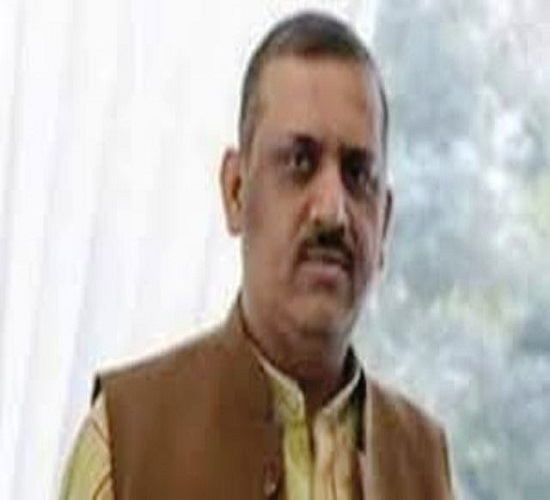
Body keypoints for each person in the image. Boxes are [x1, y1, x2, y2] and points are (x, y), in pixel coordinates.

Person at [61, 11, 454, 499]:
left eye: (358, 174)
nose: (332, 211)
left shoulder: (422, 461)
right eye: (299, 162)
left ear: (385, 221)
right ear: (235, 191)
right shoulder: (126, 440)